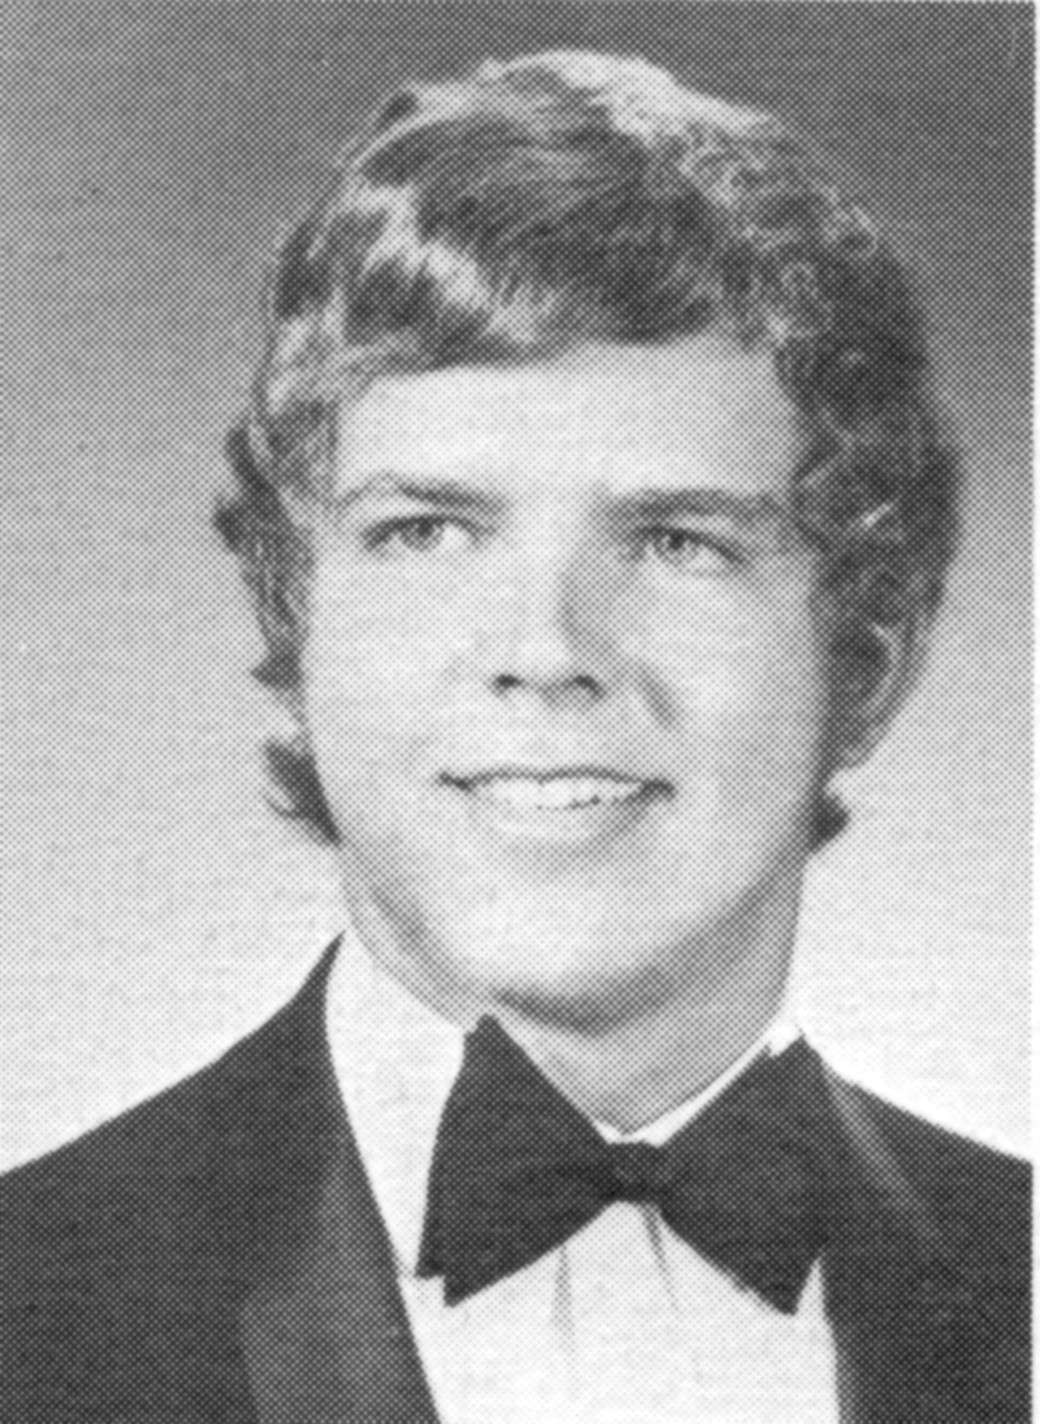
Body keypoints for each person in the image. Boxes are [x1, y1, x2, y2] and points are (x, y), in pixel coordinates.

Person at [1, 50, 1028, 1424]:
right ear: (296, 619)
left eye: (678, 541)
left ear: (866, 662)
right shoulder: (29, 1299)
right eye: (428, 531)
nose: (546, 651)